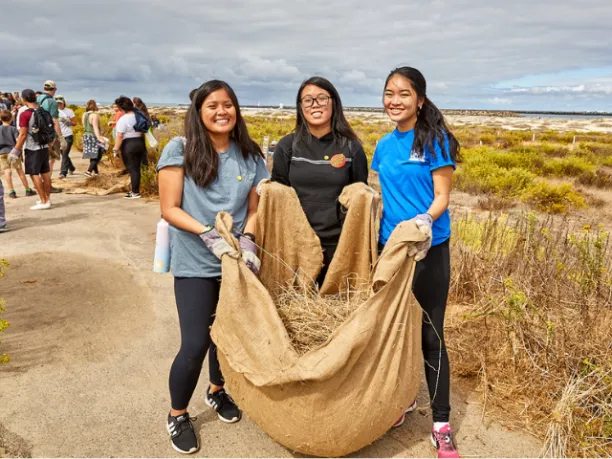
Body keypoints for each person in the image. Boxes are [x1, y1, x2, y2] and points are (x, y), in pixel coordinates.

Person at [157, 79, 269, 454]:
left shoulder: (250, 154)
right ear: (199, 112)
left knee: (228, 336)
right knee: (195, 342)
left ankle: (217, 391)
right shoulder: (180, 149)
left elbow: (254, 209)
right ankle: (177, 414)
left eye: (228, 104)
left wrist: (249, 240)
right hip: (196, 260)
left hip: (236, 262)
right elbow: (169, 207)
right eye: (212, 106)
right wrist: (209, 235)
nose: (222, 111)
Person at [371, 66, 460, 458]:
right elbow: (381, 194)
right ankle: (403, 401)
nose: (395, 100)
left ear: (420, 100)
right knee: (394, 331)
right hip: (390, 251)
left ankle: (440, 423)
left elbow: (441, 196)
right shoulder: (383, 146)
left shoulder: (435, 140)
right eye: (389, 93)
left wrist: (425, 221)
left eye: (404, 93)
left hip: (428, 249)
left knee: (430, 335)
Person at [271, 76, 368, 285]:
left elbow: (359, 199)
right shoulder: (287, 146)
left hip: (338, 247)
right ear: (300, 107)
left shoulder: (352, 148)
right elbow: (278, 196)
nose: (315, 104)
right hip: (296, 246)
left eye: (322, 98)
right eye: (308, 100)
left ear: (334, 102)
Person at [13, 89, 52, 210]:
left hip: (32, 148)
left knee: (34, 174)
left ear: (24, 100)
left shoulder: (25, 114)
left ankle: (43, 201)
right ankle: (47, 198)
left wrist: (16, 150)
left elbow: (23, 135)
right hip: (44, 146)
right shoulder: (43, 111)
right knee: (45, 173)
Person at [112, 96, 147, 199]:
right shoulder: (139, 115)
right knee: (138, 168)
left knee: (133, 169)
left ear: (121, 108)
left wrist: (115, 149)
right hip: (140, 142)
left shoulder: (123, 119)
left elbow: (120, 136)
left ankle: (135, 192)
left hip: (129, 144)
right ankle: (136, 190)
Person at [0, 110, 36, 198]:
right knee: (19, 170)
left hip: (2, 152)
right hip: (13, 152)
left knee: (7, 171)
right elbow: (18, 140)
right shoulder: (13, 129)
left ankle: (12, 191)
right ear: (11, 118)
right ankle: (27, 189)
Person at [37, 80, 64, 193]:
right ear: (53, 89)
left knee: (42, 161)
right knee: (50, 161)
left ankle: (40, 183)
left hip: (38, 134)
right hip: (49, 135)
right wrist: (61, 137)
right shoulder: (51, 102)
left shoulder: (37, 99)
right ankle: (47, 184)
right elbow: (54, 120)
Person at [55, 95, 77, 178]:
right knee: (64, 154)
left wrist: (68, 121)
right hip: (59, 136)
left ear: (64, 103)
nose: (59, 105)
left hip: (68, 135)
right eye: (57, 103)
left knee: (64, 154)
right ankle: (71, 167)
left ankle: (63, 172)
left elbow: (75, 123)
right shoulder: (54, 111)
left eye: (60, 103)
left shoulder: (69, 111)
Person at [82, 100, 104, 177]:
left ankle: (96, 173)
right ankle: (89, 171)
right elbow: (95, 127)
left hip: (86, 135)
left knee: (92, 154)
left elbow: (84, 125)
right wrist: (99, 137)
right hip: (93, 136)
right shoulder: (95, 115)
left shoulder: (84, 114)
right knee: (97, 155)